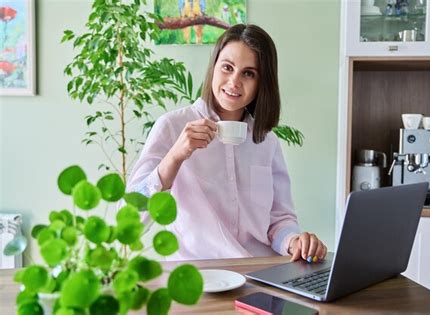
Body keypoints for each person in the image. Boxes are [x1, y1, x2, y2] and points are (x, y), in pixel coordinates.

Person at [127, 24, 327, 262]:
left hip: (258, 273)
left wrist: (294, 241)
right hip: (198, 277)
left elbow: (279, 220)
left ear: (262, 83)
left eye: (248, 73)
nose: (234, 82)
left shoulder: (266, 140)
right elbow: (130, 219)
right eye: (227, 67)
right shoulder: (172, 126)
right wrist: (175, 157)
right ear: (213, 68)